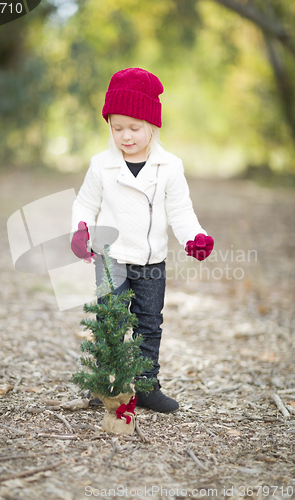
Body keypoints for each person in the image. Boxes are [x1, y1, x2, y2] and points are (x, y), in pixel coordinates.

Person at [71, 68, 214, 413]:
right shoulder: (101, 165)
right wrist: (81, 229)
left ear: (152, 125)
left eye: (134, 128)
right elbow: (86, 203)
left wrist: (194, 236)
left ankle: (147, 386)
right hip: (111, 258)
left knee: (149, 323)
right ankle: (106, 385)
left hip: (151, 260)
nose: (125, 136)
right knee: (110, 320)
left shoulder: (170, 166)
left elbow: (180, 210)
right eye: (117, 128)